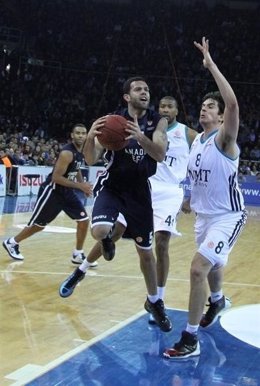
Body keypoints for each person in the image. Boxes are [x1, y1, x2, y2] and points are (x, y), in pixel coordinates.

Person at [59, 76, 173, 332]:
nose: (145, 92)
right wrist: (90, 136)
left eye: (147, 89)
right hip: (113, 185)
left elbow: (160, 154)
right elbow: (89, 159)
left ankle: (155, 302)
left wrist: (140, 136)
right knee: (99, 231)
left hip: (140, 192)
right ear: (127, 96)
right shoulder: (113, 120)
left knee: (146, 253)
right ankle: (94, 258)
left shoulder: (157, 120)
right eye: (138, 89)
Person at [163, 37, 247, 359]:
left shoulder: (225, 139)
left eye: (211, 106)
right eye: (203, 105)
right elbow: (196, 177)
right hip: (204, 216)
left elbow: (234, 104)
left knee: (198, 268)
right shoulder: (196, 142)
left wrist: (211, 65)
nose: (204, 108)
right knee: (212, 267)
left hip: (228, 216)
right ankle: (219, 299)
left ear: (222, 117)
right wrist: (187, 198)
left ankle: (190, 339)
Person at [3, 123, 97, 267]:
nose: (80, 135)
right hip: (52, 192)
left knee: (84, 220)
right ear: (72, 135)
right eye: (77, 133)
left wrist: (81, 183)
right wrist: (80, 186)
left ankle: (78, 254)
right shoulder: (67, 153)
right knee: (38, 225)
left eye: (83, 133)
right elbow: (56, 178)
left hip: (67, 192)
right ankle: (11, 242)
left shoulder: (81, 151)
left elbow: (76, 168)